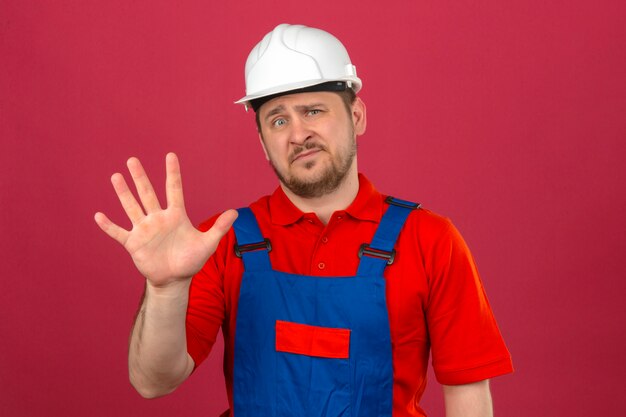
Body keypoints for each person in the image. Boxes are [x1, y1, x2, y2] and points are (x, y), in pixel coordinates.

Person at [95, 23, 513, 417]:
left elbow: (470, 396)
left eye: (314, 111)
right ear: (262, 142)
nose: (298, 134)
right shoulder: (219, 241)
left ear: (357, 116)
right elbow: (153, 381)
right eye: (278, 120)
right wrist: (166, 288)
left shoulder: (430, 240)